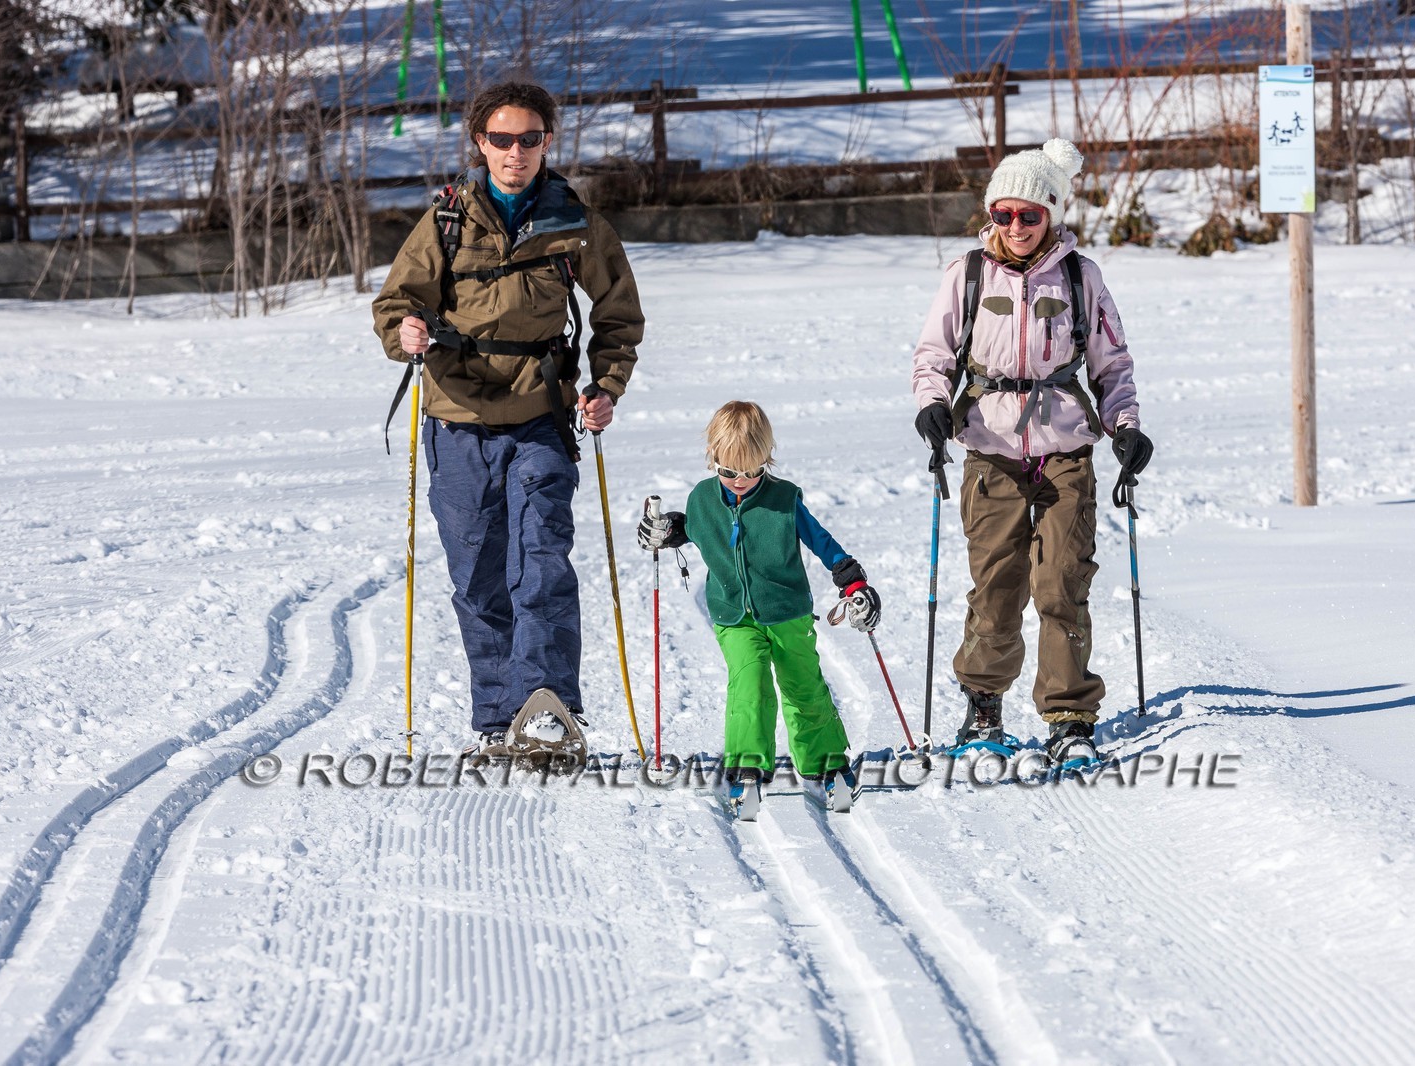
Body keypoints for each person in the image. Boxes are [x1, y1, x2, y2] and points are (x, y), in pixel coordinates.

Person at [371, 81, 645, 754]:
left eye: (529, 139)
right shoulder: (445, 221)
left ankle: (548, 708)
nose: (514, 152)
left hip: (540, 418)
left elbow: (618, 314)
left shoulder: (573, 222)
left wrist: (605, 385)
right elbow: (395, 303)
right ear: (479, 144)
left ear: (546, 142)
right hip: (456, 420)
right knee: (478, 575)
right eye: (501, 139)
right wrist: (404, 331)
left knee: (542, 560)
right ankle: (498, 717)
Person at [909, 138, 1153, 768]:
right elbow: (933, 355)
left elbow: (1113, 364)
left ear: (1052, 214)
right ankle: (983, 707)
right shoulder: (966, 275)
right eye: (1002, 215)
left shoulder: (1081, 276)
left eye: (1029, 215)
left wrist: (1123, 425)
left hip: (1066, 450)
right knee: (996, 586)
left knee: (1061, 584)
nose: (1014, 227)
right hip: (989, 450)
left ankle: (1069, 714)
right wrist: (933, 404)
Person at [636, 401, 879, 810]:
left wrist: (852, 581)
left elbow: (822, 541)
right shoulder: (702, 498)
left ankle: (827, 762)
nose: (740, 481)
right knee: (749, 686)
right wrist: (667, 530)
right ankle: (747, 765)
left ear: (767, 459)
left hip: (788, 612)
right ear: (713, 458)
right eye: (730, 472)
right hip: (734, 616)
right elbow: (688, 528)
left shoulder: (784, 499)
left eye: (752, 471)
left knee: (803, 685)